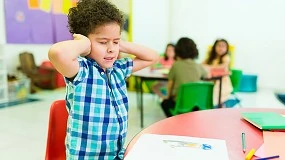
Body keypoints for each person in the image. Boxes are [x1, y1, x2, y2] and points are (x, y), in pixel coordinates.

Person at [48, 0, 159, 159]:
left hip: (115, 155)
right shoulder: (81, 70)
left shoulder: (118, 69)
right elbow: (57, 53)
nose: (111, 49)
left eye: (115, 41)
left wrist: (121, 44)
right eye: (103, 42)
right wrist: (84, 43)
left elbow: (152, 57)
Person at [161, 37, 209, 117]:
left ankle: (175, 121)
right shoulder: (197, 66)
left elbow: (170, 85)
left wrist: (168, 97)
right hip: (196, 105)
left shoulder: (176, 65)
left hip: (180, 104)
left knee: (164, 103)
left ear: (177, 50)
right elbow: (206, 75)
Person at [203, 38, 233, 107]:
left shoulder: (226, 57)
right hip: (212, 81)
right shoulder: (211, 58)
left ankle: (218, 106)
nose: (221, 48)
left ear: (227, 48)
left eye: (223, 46)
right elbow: (202, 64)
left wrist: (209, 67)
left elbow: (223, 66)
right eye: (219, 46)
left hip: (223, 82)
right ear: (214, 47)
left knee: (217, 93)